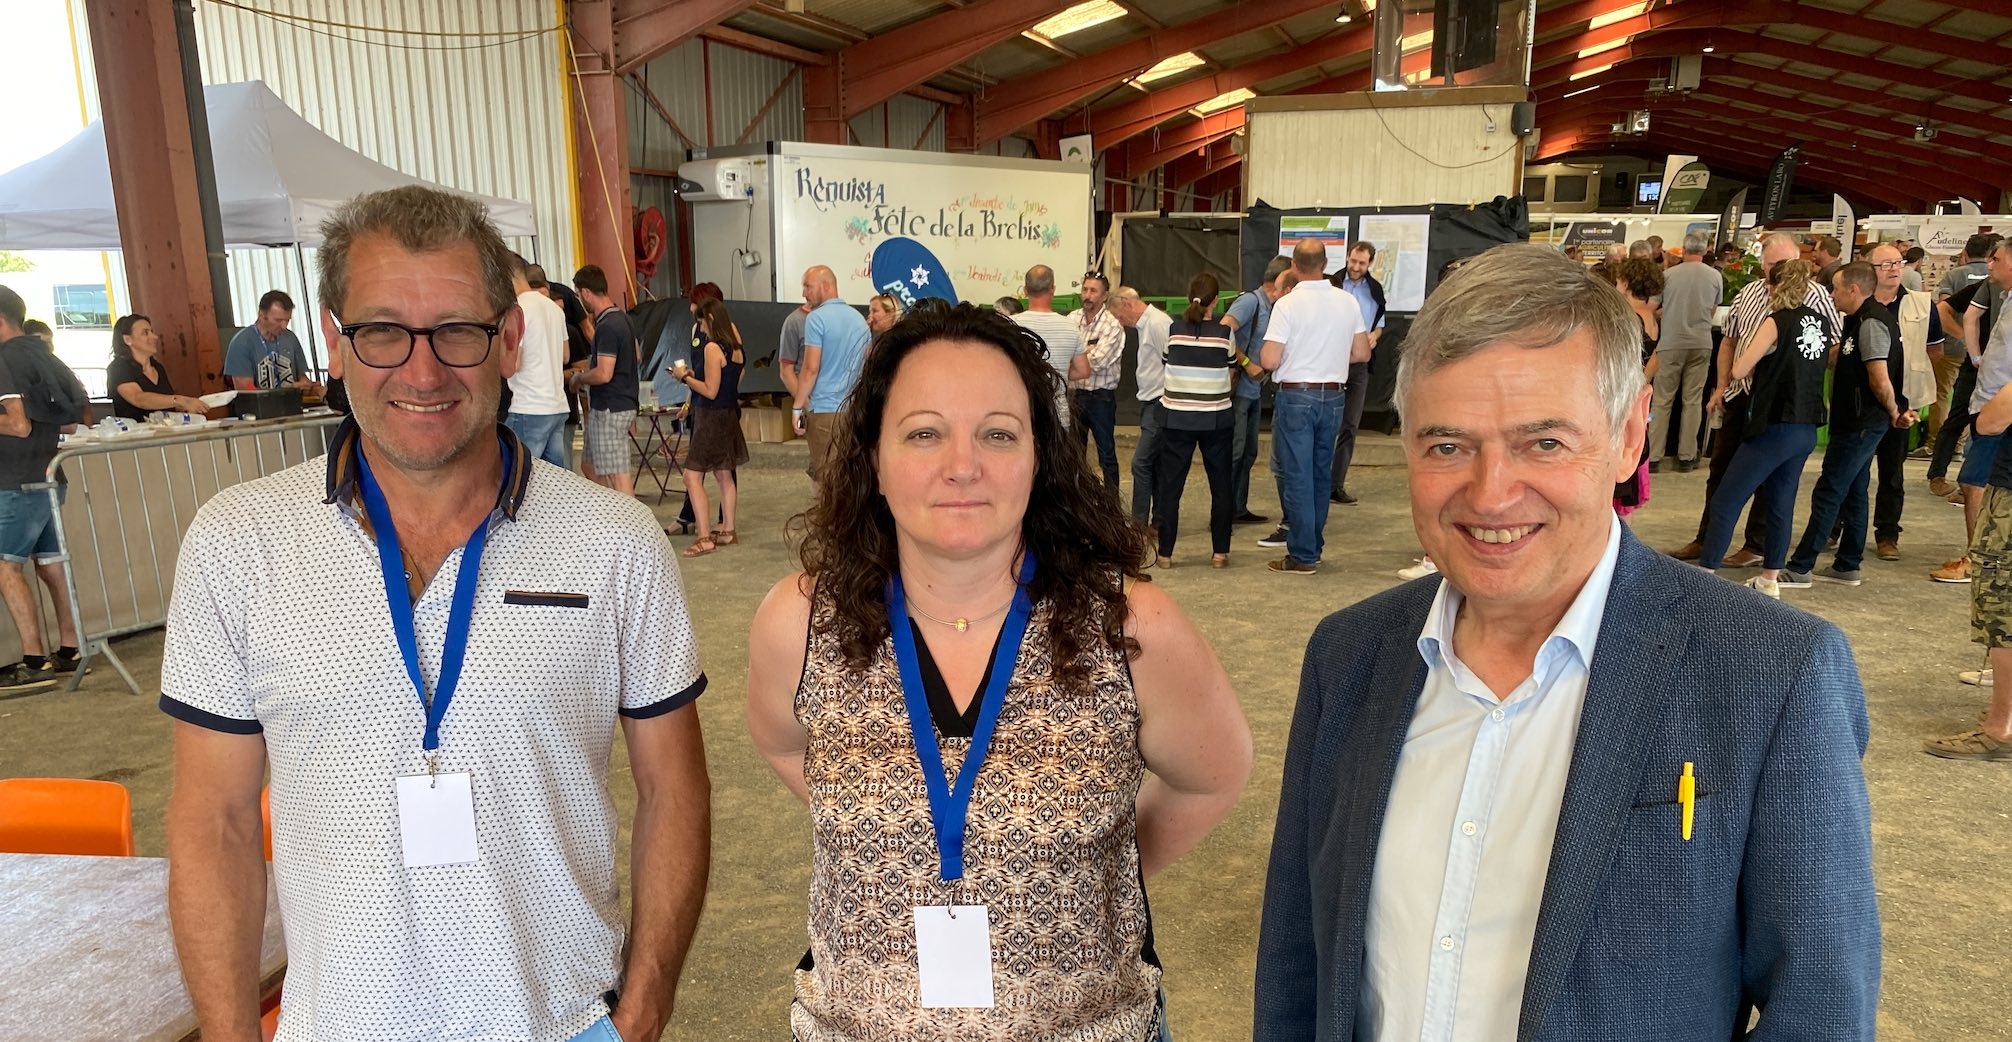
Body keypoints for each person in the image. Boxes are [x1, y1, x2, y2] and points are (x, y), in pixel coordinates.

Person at [1254, 243, 1880, 1042]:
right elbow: (1298, 959)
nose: (1491, 493)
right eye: (1447, 445)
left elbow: (1818, 1010)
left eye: (1543, 442)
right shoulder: (1348, 656)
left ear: (1628, 436)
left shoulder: (1772, 673)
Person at [159, 185, 711, 1042]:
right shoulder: (239, 545)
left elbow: (673, 788)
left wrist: (639, 1016)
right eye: (383, 332)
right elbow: (214, 821)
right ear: (335, 342)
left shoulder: (615, 541)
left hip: (561, 1023)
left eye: (458, 330)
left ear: (510, 338)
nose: (422, 373)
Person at [745, 301, 1251, 1040]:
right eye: (924, 433)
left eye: (997, 434)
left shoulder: (1129, 629)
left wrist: (1089, 864)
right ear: (874, 460)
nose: (962, 466)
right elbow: (788, 748)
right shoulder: (799, 623)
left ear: (1039, 458)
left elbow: (1215, 774)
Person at [1668, 232, 1841, 564]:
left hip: (1780, 406)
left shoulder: (1807, 304)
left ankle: (1747, 551)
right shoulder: (1748, 294)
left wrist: (1794, 374)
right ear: (1763, 264)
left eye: (1783, 266)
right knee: (1727, 474)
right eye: (1773, 265)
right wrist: (1721, 387)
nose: (1776, 273)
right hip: (1749, 401)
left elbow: (1827, 348)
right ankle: (1718, 546)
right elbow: (1730, 343)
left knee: (1764, 491)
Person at [1698, 259, 1834, 598]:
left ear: (1773, 288)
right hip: (1806, 424)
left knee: (1727, 499)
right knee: (1780, 502)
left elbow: (1741, 368)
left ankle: (1706, 572)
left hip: (1774, 422)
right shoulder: (1818, 322)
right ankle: (1770, 577)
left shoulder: (1776, 322)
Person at [1779, 262, 1914, 589]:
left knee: (1829, 490)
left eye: (1836, 288)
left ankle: (1801, 565)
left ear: (1853, 290)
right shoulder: (1860, 320)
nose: (1831, 294)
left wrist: (1895, 411)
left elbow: (1879, 377)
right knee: (1854, 490)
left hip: (1861, 422)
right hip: (1858, 421)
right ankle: (1848, 563)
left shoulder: (1870, 323)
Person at [1259, 238, 1370, 575]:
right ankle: (1313, 547)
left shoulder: (1288, 305)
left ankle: (1303, 554)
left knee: (1297, 476)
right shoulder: (1347, 301)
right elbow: (1362, 353)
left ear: (1293, 266)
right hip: (1334, 394)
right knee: (1321, 474)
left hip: (1296, 395)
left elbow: (1268, 358)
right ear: (1325, 264)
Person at [0, 286, 76, 691]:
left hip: (14, 478)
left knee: (5, 564)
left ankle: (33, 659)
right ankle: (70, 647)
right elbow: (70, 420)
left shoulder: (4, 358)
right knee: (49, 563)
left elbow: (17, 424)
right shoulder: (44, 355)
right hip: (48, 474)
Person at [1934, 238, 2012, 584]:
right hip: (1987, 405)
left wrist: (1992, 416)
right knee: (1979, 483)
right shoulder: (2003, 295)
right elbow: (1959, 316)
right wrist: (1976, 356)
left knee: (1974, 482)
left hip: (1999, 413)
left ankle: (1978, 559)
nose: (1989, 265)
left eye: (1996, 259)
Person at [1153, 273, 1237, 569]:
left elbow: (1167, 362)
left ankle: (1165, 553)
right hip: (1216, 418)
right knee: (1221, 485)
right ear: (1216, 300)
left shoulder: (1172, 329)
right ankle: (1220, 553)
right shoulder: (1225, 334)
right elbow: (1230, 369)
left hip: (1176, 417)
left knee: (1170, 487)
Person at [670, 297, 748, 558]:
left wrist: (686, 377)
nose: (700, 329)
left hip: (710, 416)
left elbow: (710, 390)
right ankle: (728, 529)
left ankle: (704, 537)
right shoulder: (736, 349)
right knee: (724, 473)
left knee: (692, 477)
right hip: (729, 415)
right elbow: (734, 380)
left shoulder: (712, 348)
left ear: (710, 320)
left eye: (701, 323)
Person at [1924, 235, 1999, 497]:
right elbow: (1947, 310)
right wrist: (1970, 344)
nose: (1992, 265)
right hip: (1976, 364)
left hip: (1993, 366)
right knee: (1960, 416)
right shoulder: (1989, 286)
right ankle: (1942, 474)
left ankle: (1977, 482)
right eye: (1995, 258)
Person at [1222, 258, 1293, 525]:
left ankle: (1238, 508)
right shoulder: (1250, 301)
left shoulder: (1274, 307)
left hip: (1253, 391)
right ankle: (1223, 511)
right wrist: (1245, 362)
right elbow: (1224, 328)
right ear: (1276, 280)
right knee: (1236, 451)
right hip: (1240, 389)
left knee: (1249, 452)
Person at [792, 265, 872, 491]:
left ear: (825, 286)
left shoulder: (816, 319)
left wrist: (797, 407)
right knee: (848, 476)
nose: (804, 293)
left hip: (825, 412)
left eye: (808, 286)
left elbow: (810, 368)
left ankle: (829, 526)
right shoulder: (859, 321)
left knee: (825, 480)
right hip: (853, 411)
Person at [1647, 233, 1722, 472]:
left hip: (1670, 342)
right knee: (1693, 400)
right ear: (1705, 250)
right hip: (1701, 342)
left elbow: (1653, 308)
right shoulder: (1715, 276)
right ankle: (1687, 456)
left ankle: (1654, 456)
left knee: (1662, 400)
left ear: (1683, 250)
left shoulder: (1667, 276)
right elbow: (1712, 310)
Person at [567, 264, 639, 496]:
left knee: (618, 474)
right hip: (618, 403)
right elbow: (637, 354)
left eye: (579, 295)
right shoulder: (623, 319)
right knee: (589, 465)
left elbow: (604, 373)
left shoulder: (608, 326)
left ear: (585, 292)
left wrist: (579, 378)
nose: (580, 301)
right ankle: (608, 512)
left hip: (611, 406)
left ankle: (630, 525)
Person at [1329, 243, 1387, 506]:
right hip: (1330, 361)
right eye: (1352, 261)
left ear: (1370, 264)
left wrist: (1375, 336)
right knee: (1326, 423)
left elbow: (1380, 323)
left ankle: (1335, 484)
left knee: (1350, 424)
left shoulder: (1375, 291)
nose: (1355, 267)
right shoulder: (1331, 285)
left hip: (1360, 364)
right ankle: (1319, 480)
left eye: (1361, 263)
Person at [502, 259, 572, 469]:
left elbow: (514, 364)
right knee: (554, 481)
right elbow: (565, 357)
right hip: (556, 406)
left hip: (529, 406)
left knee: (515, 475)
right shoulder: (554, 309)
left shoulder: (518, 310)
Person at [1112, 287, 1171, 527]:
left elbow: (1172, 361)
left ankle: (1139, 524)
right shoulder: (1147, 325)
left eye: (1118, 316)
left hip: (1159, 403)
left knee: (1141, 462)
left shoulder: (1158, 324)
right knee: (1154, 463)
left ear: (1127, 304)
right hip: (1150, 401)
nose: (1120, 322)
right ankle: (1157, 521)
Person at [1611, 257, 1663, 513]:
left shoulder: (1628, 317)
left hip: (1623, 396)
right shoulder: (1652, 318)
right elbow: (1655, 360)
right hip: (1640, 393)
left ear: (1627, 282)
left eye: (1619, 280)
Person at [1009, 264, 1087, 423]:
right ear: (1053, 289)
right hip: (1058, 414)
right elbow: (1083, 370)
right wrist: (1060, 370)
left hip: (1022, 412)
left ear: (1025, 290)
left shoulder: (1011, 325)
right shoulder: (1071, 326)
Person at [1070, 272, 1125, 490]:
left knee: (1106, 456)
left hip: (1100, 398)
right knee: (1074, 456)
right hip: (1075, 396)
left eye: (1093, 291)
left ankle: (1112, 510)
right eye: (1085, 289)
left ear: (1104, 297)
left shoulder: (1112, 326)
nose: (1087, 295)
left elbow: (1098, 361)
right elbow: (1067, 353)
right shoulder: (1071, 320)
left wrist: (1076, 358)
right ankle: (1077, 506)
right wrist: (1085, 354)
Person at [106, 314, 210, 419]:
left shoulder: (158, 367)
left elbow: (167, 405)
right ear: (128, 339)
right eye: (145, 333)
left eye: (152, 331)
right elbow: (138, 399)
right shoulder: (118, 368)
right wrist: (181, 401)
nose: (154, 337)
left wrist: (190, 406)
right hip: (136, 433)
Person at [224, 290, 323, 395]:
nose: (284, 326)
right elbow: (246, 390)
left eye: (287, 320)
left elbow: (301, 377)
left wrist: (307, 385)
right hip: (258, 410)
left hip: (292, 407)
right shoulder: (241, 343)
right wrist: (288, 390)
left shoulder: (290, 338)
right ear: (262, 315)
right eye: (278, 320)